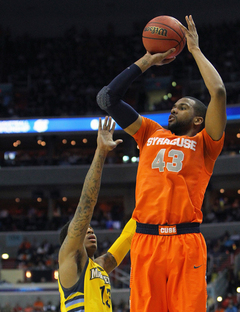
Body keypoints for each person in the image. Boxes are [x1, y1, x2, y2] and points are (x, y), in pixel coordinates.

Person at [96, 15, 226, 312]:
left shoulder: (206, 143)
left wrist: (194, 50)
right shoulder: (149, 131)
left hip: (185, 241)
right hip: (145, 240)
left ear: (198, 120)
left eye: (182, 107)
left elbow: (218, 92)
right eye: (173, 105)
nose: (173, 108)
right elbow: (107, 98)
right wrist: (146, 61)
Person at [58, 116, 136, 312]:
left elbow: (126, 238)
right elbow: (86, 204)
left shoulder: (100, 266)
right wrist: (101, 152)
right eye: (85, 230)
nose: (90, 231)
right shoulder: (69, 258)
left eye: (91, 229)